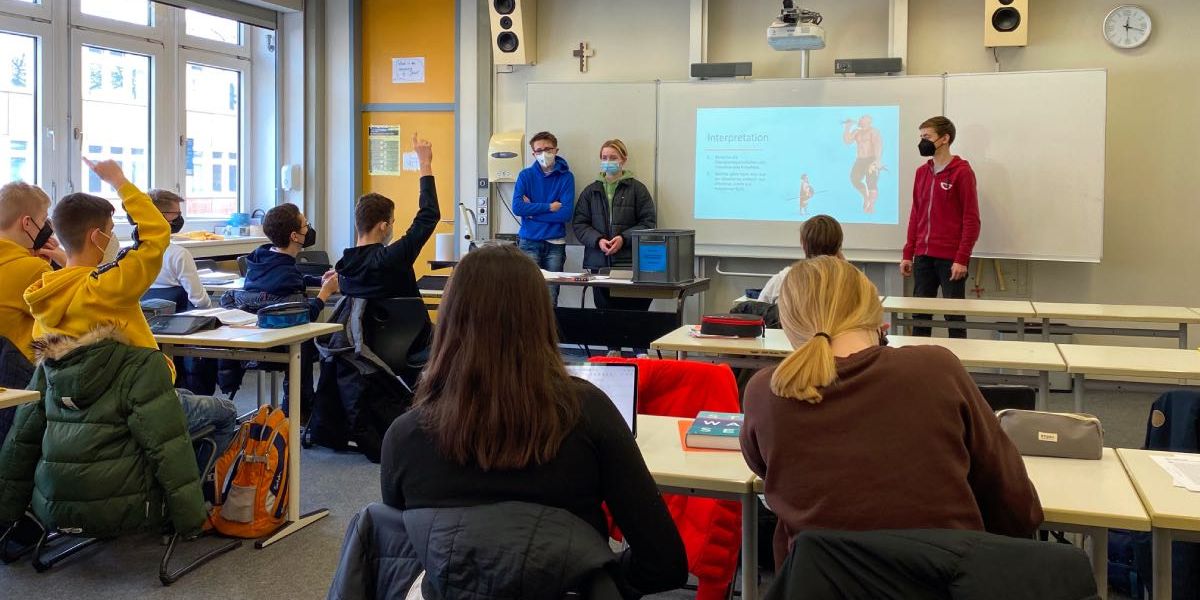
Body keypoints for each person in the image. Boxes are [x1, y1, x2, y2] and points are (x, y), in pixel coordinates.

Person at [380, 244, 688, 596]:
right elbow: (664, 563)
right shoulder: (587, 414)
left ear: (449, 321)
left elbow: (399, 557)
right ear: (541, 319)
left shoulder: (405, 438)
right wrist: (598, 579)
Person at [740, 256, 1042, 570]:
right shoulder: (936, 369)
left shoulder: (765, 391)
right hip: (943, 582)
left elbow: (768, 470)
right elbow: (1018, 509)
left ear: (787, 323)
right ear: (874, 313)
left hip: (818, 584)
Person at [23, 158, 237, 450]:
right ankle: (198, 479)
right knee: (225, 412)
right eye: (111, 230)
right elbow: (157, 234)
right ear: (96, 237)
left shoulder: (45, 295)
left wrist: (66, 262)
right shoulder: (109, 287)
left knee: (187, 398)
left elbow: (76, 280)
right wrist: (119, 181)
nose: (113, 238)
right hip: (134, 402)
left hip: (75, 414)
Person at [222, 202, 339, 412]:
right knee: (315, 339)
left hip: (252, 335)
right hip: (280, 341)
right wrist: (324, 293)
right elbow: (305, 315)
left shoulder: (259, 259)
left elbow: (282, 281)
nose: (309, 229)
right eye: (305, 225)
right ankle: (302, 406)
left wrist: (317, 280)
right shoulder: (288, 274)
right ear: (295, 236)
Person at [900, 116, 980, 339]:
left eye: (927, 136)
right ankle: (920, 357)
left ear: (944, 139)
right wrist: (908, 253)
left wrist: (962, 258)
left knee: (954, 316)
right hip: (923, 256)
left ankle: (958, 358)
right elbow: (916, 214)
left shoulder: (962, 172)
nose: (922, 142)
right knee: (920, 316)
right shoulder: (921, 172)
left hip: (951, 259)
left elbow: (971, 219)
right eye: (921, 137)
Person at [336, 133, 439, 301]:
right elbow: (429, 214)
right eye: (392, 222)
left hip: (364, 321)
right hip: (408, 319)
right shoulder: (392, 258)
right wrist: (424, 163)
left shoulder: (343, 270)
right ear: (383, 226)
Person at [571, 138, 656, 311]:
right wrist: (598, 240)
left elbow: (648, 223)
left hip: (630, 263)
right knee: (605, 315)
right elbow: (580, 224)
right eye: (604, 158)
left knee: (632, 313)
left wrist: (623, 239)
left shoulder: (638, 189)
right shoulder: (591, 191)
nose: (608, 161)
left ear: (623, 159)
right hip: (599, 264)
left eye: (613, 157)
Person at [0, 182, 66, 363]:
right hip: (19, 372)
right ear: (27, 223)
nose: (47, 228)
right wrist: (69, 263)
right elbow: (71, 316)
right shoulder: (33, 269)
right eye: (44, 220)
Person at [512, 131, 574, 306]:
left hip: (555, 245)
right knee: (526, 296)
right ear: (533, 154)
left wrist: (532, 213)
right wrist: (549, 207)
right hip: (529, 242)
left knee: (550, 297)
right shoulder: (525, 176)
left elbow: (566, 214)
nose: (543, 153)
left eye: (548, 149)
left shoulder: (566, 177)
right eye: (539, 150)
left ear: (556, 150)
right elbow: (518, 208)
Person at [142, 189, 211, 309]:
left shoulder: (129, 253)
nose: (179, 218)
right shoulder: (178, 254)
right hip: (178, 318)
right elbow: (200, 301)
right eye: (177, 214)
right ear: (160, 216)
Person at [757, 214, 843, 305]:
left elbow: (758, 309)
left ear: (803, 244)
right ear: (839, 245)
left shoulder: (784, 278)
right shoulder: (848, 281)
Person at [843, 115, 882, 213]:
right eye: (861, 118)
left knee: (871, 182)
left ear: (868, 121)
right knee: (854, 179)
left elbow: (878, 145)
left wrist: (877, 160)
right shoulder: (857, 132)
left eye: (863, 118)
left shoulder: (873, 131)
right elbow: (847, 141)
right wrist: (847, 127)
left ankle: (871, 205)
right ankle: (865, 197)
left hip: (871, 159)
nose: (860, 119)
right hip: (860, 160)